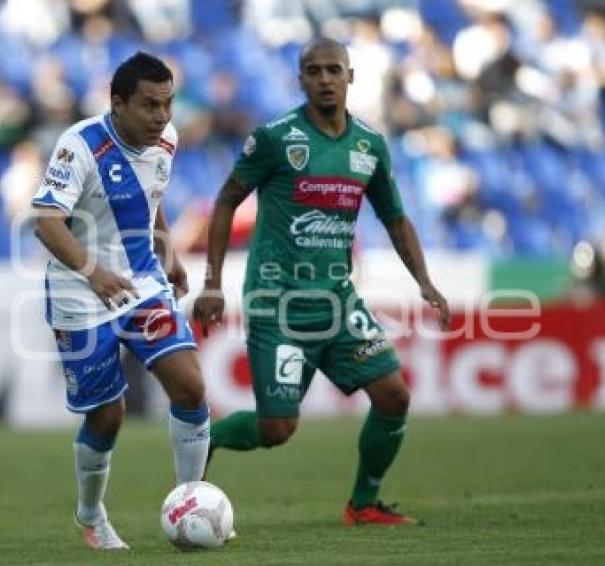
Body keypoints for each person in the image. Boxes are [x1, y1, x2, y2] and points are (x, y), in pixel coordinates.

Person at [193, 38, 450, 525]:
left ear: (350, 77)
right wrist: (211, 283)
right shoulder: (274, 139)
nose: (325, 79)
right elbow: (226, 201)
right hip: (278, 303)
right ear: (301, 80)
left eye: (334, 69)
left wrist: (424, 281)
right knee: (277, 429)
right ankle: (206, 437)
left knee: (394, 394)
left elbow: (396, 219)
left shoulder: (369, 145)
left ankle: (363, 504)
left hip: (336, 300)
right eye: (314, 71)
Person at [32, 52, 210, 550]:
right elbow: (46, 222)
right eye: (149, 105)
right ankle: (91, 515)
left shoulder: (165, 141)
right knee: (108, 415)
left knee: (191, 388)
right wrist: (93, 272)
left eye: (168, 104)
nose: (162, 116)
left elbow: (151, 197)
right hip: (79, 291)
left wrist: (168, 250)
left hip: (141, 285)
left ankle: (189, 501)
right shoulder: (80, 145)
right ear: (118, 103)